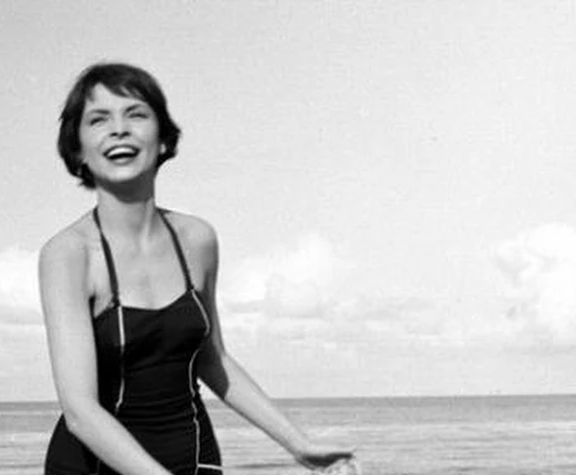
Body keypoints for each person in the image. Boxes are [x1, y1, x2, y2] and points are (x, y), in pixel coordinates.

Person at [40, 62, 355, 475]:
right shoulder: (68, 254)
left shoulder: (197, 240)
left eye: (136, 114)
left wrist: (300, 445)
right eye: (99, 119)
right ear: (78, 148)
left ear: (163, 138)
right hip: (95, 466)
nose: (119, 129)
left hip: (193, 459)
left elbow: (212, 358)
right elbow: (80, 411)